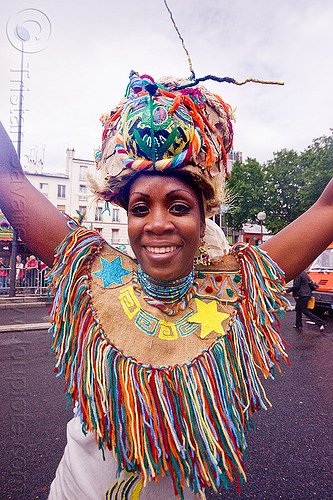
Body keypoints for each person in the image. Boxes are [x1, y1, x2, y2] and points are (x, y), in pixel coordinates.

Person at [2, 72, 333, 500]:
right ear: (128, 219)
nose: (157, 224)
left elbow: (328, 208)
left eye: (178, 207)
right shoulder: (93, 272)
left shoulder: (236, 286)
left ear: (202, 219)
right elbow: (10, 180)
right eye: (141, 208)